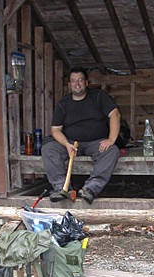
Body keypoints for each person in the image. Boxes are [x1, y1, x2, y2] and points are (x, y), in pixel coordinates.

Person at [42, 67, 121, 204]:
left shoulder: (98, 96)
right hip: (70, 143)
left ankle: (90, 189)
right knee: (48, 149)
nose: (77, 84)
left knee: (112, 151)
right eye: (73, 81)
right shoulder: (63, 104)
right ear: (69, 85)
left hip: (96, 143)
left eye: (80, 80)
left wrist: (111, 139)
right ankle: (62, 188)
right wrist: (66, 144)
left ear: (86, 83)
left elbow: (115, 114)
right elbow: (55, 130)